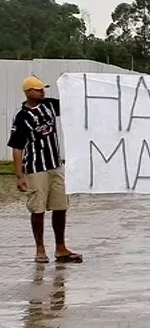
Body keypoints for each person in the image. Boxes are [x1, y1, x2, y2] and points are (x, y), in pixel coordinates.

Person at [7, 76, 83, 264]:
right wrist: (20, 175)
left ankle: (61, 247)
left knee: (60, 206)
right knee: (38, 208)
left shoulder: (49, 105)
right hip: (35, 168)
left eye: (43, 89)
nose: (42, 92)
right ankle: (40, 249)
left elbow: (73, 104)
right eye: (37, 89)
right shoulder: (22, 117)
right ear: (27, 92)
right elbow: (17, 148)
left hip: (55, 165)